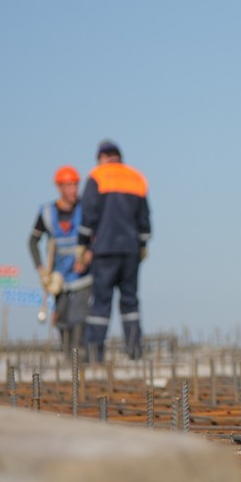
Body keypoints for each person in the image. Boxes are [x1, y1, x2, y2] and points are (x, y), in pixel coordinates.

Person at [77, 140, 152, 363]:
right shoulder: (136, 177)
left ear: (101, 157)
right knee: (130, 301)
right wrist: (143, 245)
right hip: (130, 250)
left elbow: (88, 214)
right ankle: (134, 349)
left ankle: (94, 354)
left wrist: (83, 244)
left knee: (101, 301)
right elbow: (145, 218)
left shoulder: (97, 176)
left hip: (105, 250)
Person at [28, 165, 92, 355]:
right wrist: (41, 270)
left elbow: (98, 236)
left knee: (78, 315)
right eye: (69, 185)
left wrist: (88, 256)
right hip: (59, 276)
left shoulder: (86, 209)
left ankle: (79, 356)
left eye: (76, 185)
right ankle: (67, 355)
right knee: (62, 316)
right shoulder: (47, 213)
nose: (74, 189)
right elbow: (32, 241)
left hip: (83, 274)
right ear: (59, 187)